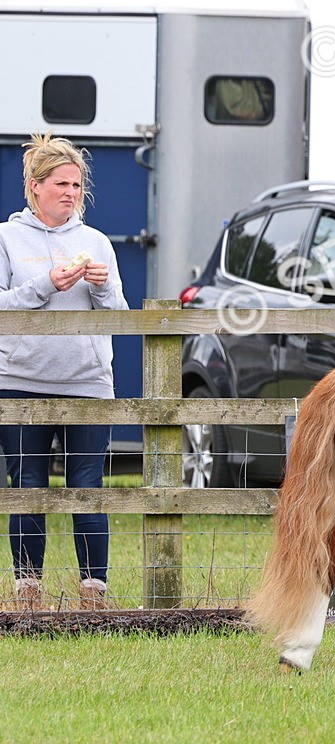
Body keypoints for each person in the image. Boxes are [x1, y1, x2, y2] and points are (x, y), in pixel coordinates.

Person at [0, 133, 128, 611]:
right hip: (20, 382)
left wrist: (100, 288)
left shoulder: (95, 242)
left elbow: (119, 314)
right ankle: (27, 590)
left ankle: (95, 593)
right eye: (60, 184)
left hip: (88, 383)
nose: (70, 193)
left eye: (76, 185)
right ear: (35, 187)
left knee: (87, 486)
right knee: (28, 483)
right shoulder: (6, 238)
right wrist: (44, 286)